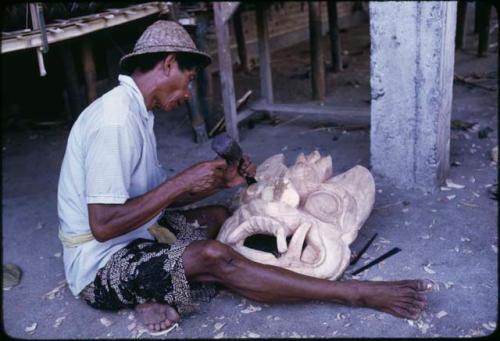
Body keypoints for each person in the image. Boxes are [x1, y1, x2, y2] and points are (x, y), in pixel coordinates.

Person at [57, 20, 432, 333]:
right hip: (100, 266)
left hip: (134, 237)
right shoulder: (114, 120)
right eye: (187, 81)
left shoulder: (138, 114)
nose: (187, 94)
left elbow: (153, 199)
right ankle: (353, 293)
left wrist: (218, 183)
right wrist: (183, 179)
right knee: (216, 255)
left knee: (219, 217)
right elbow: (104, 224)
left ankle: (157, 288)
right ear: (168, 64)